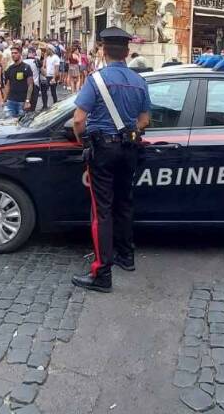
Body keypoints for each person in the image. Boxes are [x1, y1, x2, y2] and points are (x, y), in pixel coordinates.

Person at [71, 27, 151, 293]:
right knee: (124, 203)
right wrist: (133, 133)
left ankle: (102, 273)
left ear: (104, 51)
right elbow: (145, 120)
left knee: (102, 211)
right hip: (129, 150)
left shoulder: (96, 80)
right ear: (127, 52)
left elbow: (79, 120)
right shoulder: (140, 82)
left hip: (103, 151)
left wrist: (83, 141)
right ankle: (126, 257)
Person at [3, 46, 34, 117]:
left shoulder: (26, 67)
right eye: (12, 53)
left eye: (15, 53)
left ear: (20, 54)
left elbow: (30, 85)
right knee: (9, 123)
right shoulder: (10, 69)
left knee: (20, 125)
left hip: (22, 101)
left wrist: (27, 101)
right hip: (11, 101)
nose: (13, 55)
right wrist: (5, 99)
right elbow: (7, 85)